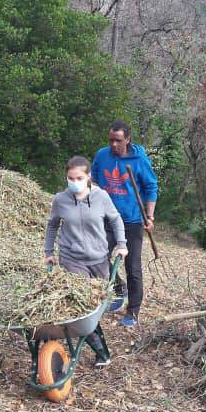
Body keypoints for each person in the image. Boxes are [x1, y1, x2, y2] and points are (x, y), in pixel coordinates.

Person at [44, 156, 128, 367]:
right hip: (72, 260)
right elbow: (52, 225)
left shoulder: (101, 197)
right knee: (82, 306)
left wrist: (122, 244)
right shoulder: (61, 199)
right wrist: (48, 251)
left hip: (99, 259)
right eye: (70, 178)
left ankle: (101, 351)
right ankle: (102, 352)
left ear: (88, 176)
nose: (74, 181)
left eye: (79, 177)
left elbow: (116, 219)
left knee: (94, 308)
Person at [91, 120, 158, 327]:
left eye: (118, 140)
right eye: (110, 139)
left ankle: (133, 311)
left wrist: (150, 216)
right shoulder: (102, 155)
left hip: (131, 221)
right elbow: (93, 179)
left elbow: (151, 187)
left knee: (133, 266)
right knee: (96, 256)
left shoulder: (139, 160)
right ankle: (119, 288)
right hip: (106, 218)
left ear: (127, 139)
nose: (113, 144)